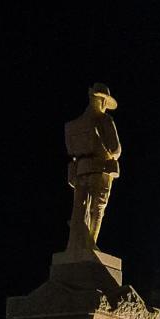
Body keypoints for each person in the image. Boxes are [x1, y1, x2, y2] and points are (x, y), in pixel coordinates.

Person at [65, 84, 121, 250]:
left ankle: (76, 243)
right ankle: (90, 243)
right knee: (97, 207)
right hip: (100, 168)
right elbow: (115, 148)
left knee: (79, 207)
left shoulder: (75, 124)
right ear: (102, 100)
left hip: (81, 169)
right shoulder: (104, 120)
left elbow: (71, 149)